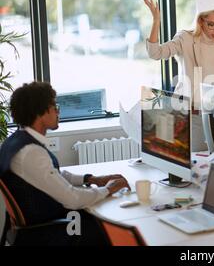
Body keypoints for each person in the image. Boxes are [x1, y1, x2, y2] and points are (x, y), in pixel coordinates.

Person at [0, 82, 131, 245]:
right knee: (111, 227)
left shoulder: (17, 141)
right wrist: (108, 189)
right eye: (54, 106)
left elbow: (53, 174)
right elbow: (72, 199)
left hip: (38, 223)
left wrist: (91, 179)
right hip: (49, 231)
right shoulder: (31, 153)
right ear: (41, 113)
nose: (58, 111)